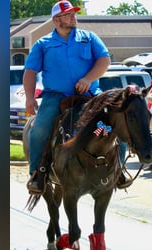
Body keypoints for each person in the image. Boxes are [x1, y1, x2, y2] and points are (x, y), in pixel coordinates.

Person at [23, 1, 132, 194]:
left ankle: (119, 169)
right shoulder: (43, 44)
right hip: (56, 96)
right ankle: (37, 174)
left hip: (90, 95)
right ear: (57, 20)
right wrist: (30, 98)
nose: (74, 17)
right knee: (39, 129)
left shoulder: (89, 38)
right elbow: (30, 71)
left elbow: (104, 60)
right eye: (68, 14)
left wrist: (88, 79)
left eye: (74, 13)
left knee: (116, 122)